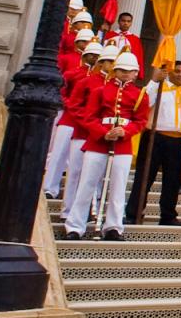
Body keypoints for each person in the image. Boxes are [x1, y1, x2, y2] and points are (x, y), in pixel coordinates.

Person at [63, 51, 148, 241]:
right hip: (97, 143)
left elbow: (140, 120)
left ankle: (113, 227)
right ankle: (75, 226)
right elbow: (89, 117)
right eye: (122, 70)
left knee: (118, 188)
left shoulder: (139, 95)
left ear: (136, 73)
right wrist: (103, 132)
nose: (125, 74)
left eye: (129, 71)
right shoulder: (100, 91)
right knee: (86, 184)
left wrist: (125, 132)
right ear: (115, 71)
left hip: (123, 145)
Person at [129, 61, 181, 226]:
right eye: (176, 71)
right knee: (144, 176)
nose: (180, 74)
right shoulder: (159, 88)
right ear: (170, 72)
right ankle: (134, 212)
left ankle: (168, 215)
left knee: (172, 180)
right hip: (155, 137)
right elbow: (144, 102)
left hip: (177, 140)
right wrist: (155, 80)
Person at [62, 46, 116, 210]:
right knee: (75, 172)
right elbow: (74, 105)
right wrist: (88, 122)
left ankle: (93, 209)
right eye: (111, 62)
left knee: (97, 176)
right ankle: (67, 209)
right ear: (102, 63)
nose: (114, 66)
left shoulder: (116, 88)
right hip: (83, 132)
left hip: (102, 136)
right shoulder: (86, 81)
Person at [44, 38, 98, 198]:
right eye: (92, 55)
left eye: (97, 56)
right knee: (58, 154)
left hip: (85, 124)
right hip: (69, 118)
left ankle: (71, 196)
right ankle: (49, 187)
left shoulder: (99, 81)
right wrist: (73, 108)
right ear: (84, 56)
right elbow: (62, 94)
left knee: (78, 163)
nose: (94, 58)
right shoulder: (71, 73)